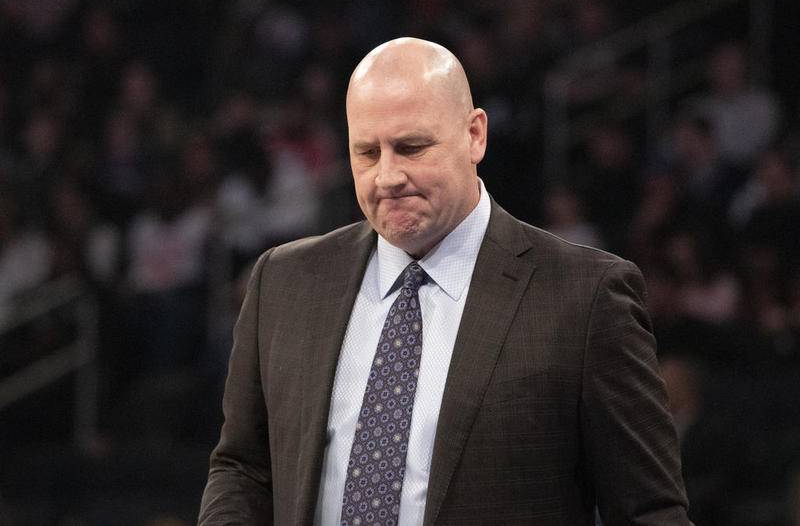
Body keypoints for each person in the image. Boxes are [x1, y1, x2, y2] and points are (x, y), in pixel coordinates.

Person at [198, 37, 691, 525]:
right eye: (367, 152)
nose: (387, 177)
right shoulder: (284, 282)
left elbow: (649, 510)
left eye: (411, 147)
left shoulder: (585, 297)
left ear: (475, 135)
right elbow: (243, 468)